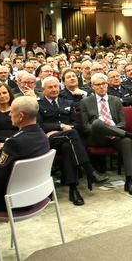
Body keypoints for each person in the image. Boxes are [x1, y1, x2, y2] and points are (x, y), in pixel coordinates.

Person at [0, 97, 51, 212]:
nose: (9, 115)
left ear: (21, 116)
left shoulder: (13, 142)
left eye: (11, 112)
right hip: (36, 194)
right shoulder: (42, 136)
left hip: (12, 200)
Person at [38, 77, 108, 205]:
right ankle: (89, 169)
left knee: (68, 147)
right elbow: (39, 125)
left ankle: (73, 189)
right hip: (50, 139)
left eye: (56, 86)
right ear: (43, 89)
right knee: (72, 134)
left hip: (68, 139)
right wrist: (60, 127)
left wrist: (67, 129)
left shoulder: (67, 103)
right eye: (50, 87)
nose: (54, 89)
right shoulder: (38, 105)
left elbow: (77, 124)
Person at [80, 73, 132, 196]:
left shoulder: (115, 100)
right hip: (97, 136)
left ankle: (129, 181)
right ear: (92, 86)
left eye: (104, 84)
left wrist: (113, 131)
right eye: (98, 84)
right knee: (96, 123)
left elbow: (122, 122)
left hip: (116, 134)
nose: (101, 87)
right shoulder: (85, 102)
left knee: (126, 142)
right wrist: (105, 131)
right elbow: (85, 126)